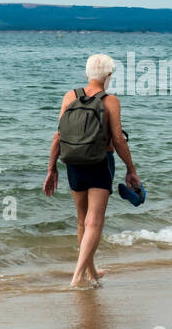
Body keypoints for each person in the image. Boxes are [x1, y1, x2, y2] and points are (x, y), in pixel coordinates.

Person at [42, 53, 140, 287]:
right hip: (99, 161)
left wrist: (51, 168)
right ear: (109, 75)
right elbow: (118, 139)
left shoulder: (69, 96)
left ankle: (91, 272)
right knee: (94, 221)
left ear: (87, 73)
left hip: (73, 162)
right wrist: (131, 169)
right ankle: (77, 276)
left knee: (82, 220)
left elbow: (58, 135)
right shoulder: (110, 100)